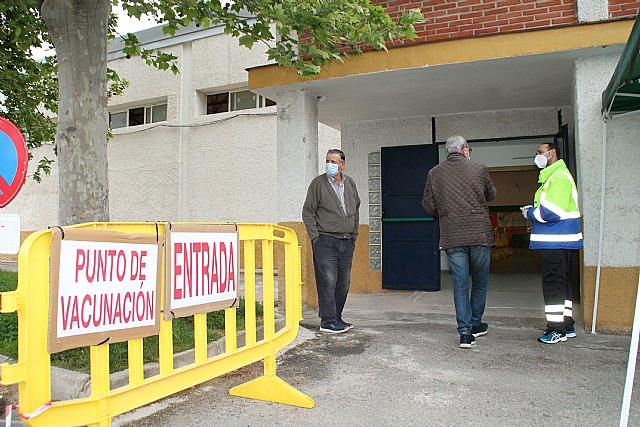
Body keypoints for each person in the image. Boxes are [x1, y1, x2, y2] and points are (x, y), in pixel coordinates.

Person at [422, 135, 496, 348]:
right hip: (479, 234)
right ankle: (475, 324)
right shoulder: (479, 168)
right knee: (480, 282)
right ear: (464, 148)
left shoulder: (434, 173)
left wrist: (446, 213)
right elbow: (491, 194)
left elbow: (427, 204)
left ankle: (465, 333)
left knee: (460, 285)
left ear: (448, 151)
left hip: (452, 235)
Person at [522, 142, 583, 344]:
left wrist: (529, 213)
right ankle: (567, 324)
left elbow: (550, 212)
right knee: (563, 284)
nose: (537, 156)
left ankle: (555, 329)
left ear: (552, 153)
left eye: (539, 152)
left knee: (553, 284)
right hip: (561, 240)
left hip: (554, 242)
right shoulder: (558, 176)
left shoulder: (558, 177)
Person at [302, 149, 361, 334]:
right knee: (328, 280)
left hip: (346, 241)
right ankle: (327, 321)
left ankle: (337, 317)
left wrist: (354, 235)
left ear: (342, 164)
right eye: (328, 160)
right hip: (325, 241)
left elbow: (356, 209)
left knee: (343, 282)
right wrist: (315, 238)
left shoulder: (350, 183)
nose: (330, 164)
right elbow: (308, 212)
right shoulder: (318, 184)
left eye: (334, 161)